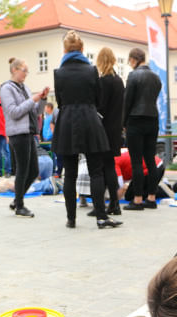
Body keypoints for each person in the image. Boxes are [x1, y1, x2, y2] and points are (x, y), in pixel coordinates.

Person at [53, 31, 120, 229]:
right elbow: (98, 100)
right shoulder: (91, 71)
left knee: (70, 174)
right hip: (90, 121)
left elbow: (60, 101)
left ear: (65, 50)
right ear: (82, 49)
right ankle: (101, 217)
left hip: (67, 123)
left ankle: (71, 219)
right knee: (96, 172)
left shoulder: (59, 73)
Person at [0, 57, 49, 218]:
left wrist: (42, 99)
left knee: (33, 170)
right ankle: (19, 205)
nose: (26, 74)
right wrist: (32, 100)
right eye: (24, 70)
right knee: (22, 169)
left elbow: (35, 110)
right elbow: (14, 112)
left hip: (29, 132)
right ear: (15, 70)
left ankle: (17, 199)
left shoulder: (25, 88)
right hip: (17, 133)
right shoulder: (7, 88)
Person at [123, 47, 163, 209]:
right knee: (150, 160)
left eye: (129, 61)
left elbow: (127, 102)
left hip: (135, 121)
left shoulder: (133, 75)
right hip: (152, 120)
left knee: (137, 162)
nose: (129, 64)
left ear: (134, 59)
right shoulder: (156, 77)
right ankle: (151, 198)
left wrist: (123, 123)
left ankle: (138, 199)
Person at [96, 46, 125, 216]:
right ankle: (114, 203)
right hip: (115, 130)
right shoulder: (119, 80)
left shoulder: (103, 81)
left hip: (103, 130)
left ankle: (108, 203)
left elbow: (101, 108)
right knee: (110, 166)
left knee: (102, 168)